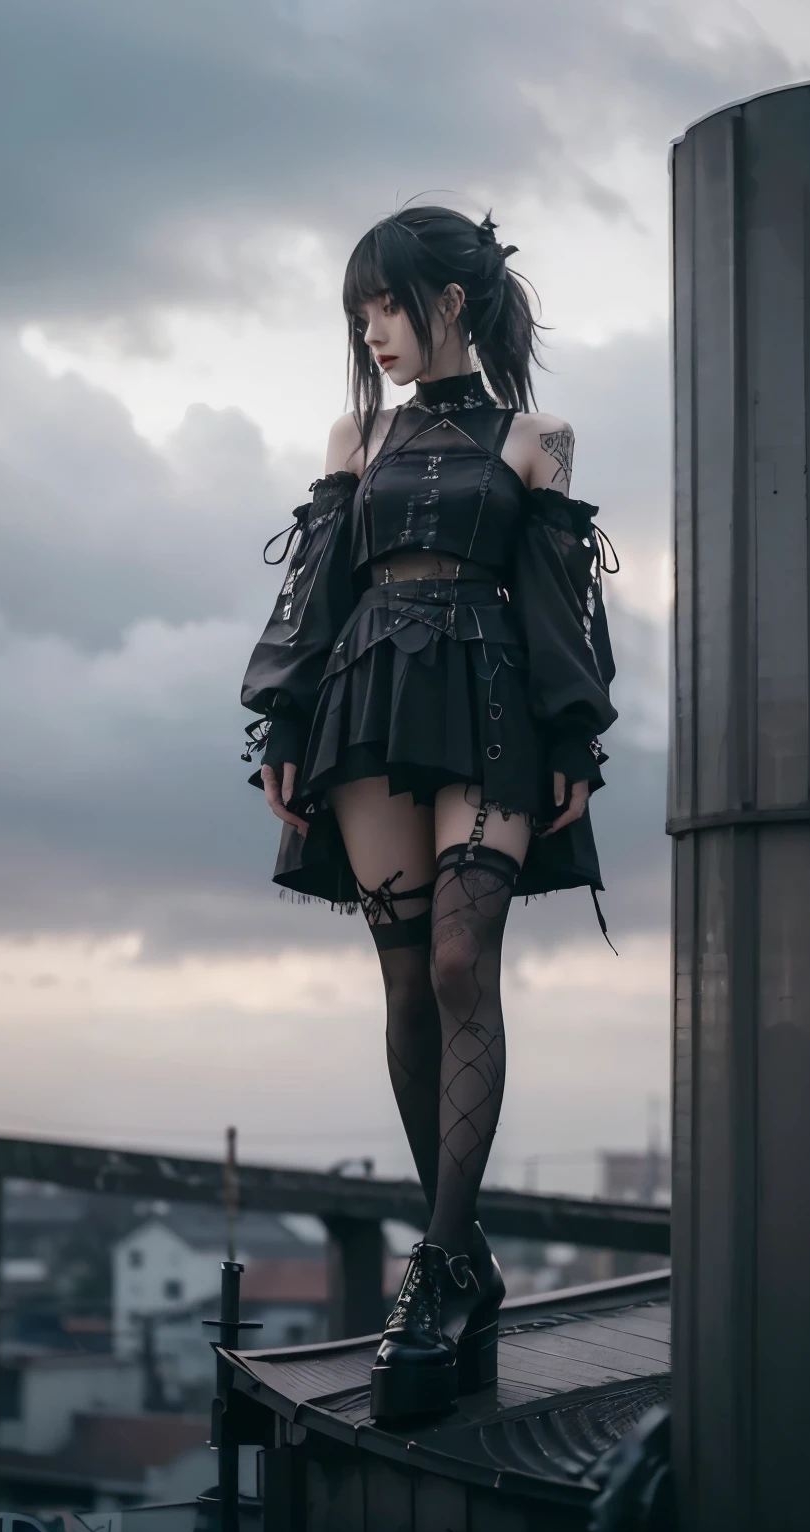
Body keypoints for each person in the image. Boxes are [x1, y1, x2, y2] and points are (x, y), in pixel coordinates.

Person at [239, 204, 619, 1422]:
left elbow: (562, 602)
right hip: (366, 702)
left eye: (389, 305)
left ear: (450, 300)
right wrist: (283, 724)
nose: (375, 331)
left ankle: (437, 1268)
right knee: (408, 984)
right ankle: (462, 1262)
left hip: (494, 705)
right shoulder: (359, 435)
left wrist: (575, 735)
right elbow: (314, 591)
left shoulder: (535, 436)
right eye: (361, 314)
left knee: (464, 958)